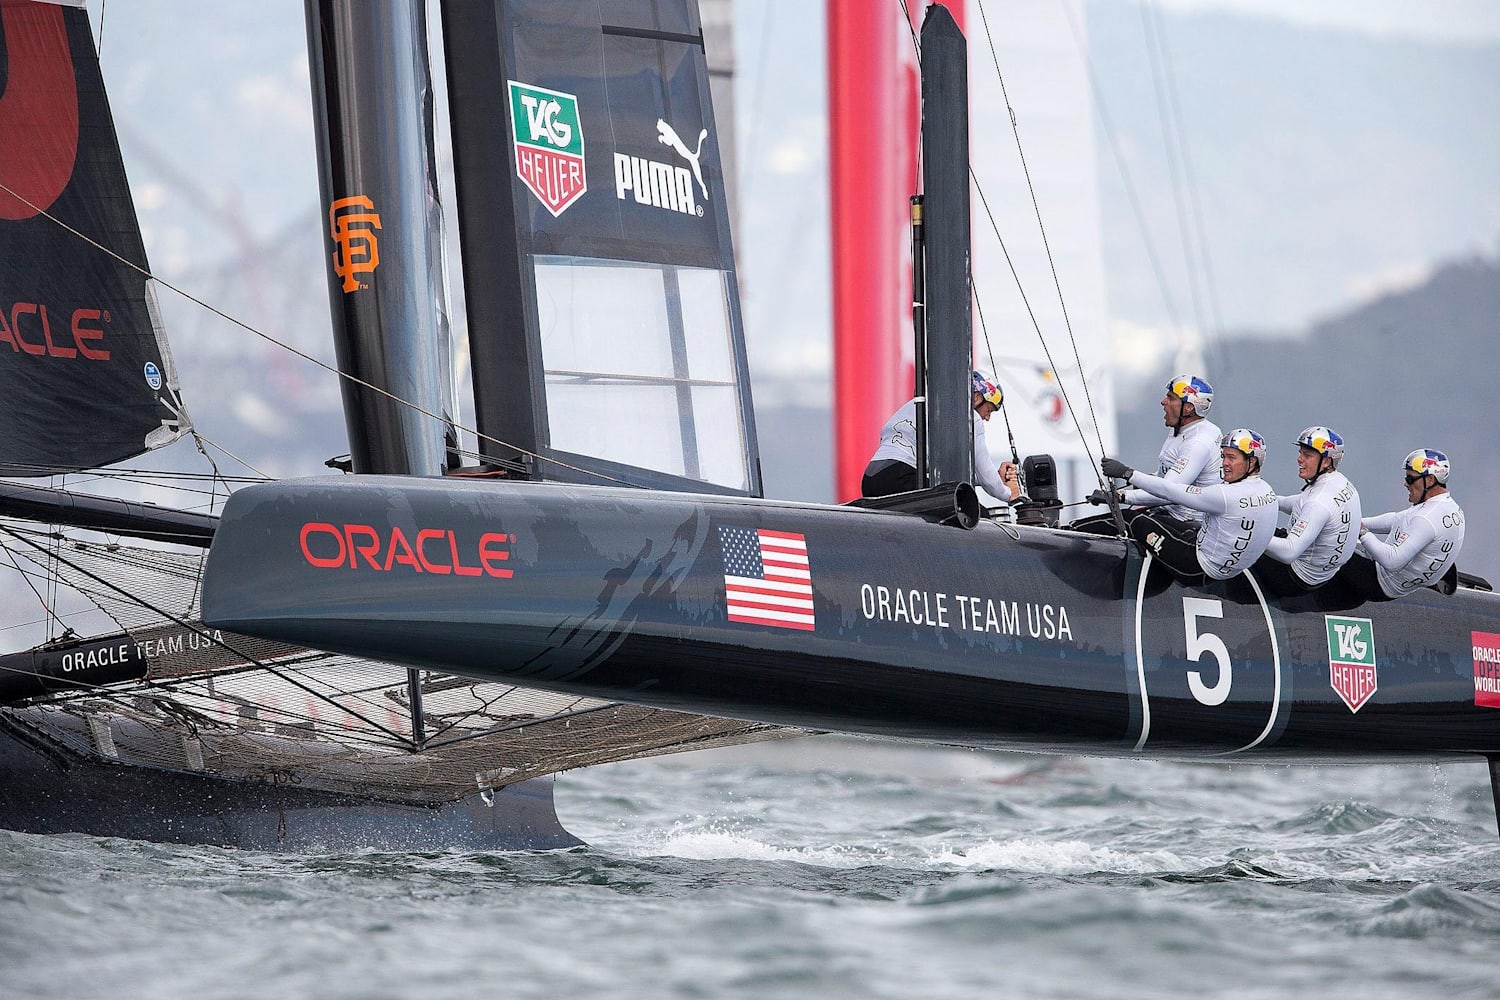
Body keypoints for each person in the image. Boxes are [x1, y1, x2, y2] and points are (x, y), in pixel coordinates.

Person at [1099, 428, 1278, 583]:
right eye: (1223, 456)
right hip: (1219, 565)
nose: (1224, 463)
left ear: (1252, 462)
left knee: (1132, 519)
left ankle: (1072, 532)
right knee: (1163, 520)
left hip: (1195, 568)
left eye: (1231, 458)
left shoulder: (1225, 495)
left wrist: (1127, 474)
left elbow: (1171, 492)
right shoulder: (1266, 491)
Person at [1076, 373, 1221, 533]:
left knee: (1122, 521)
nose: (1163, 402)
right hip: (1166, 513)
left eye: (1171, 398)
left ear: (1188, 408)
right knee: (1088, 525)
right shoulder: (1182, 430)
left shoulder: (1198, 442)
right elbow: (1163, 478)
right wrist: (1135, 483)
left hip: (1186, 525)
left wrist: (1122, 489)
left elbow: (1168, 490)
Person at [861, 370, 1020, 501]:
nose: (987, 417)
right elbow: (984, 470)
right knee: (972, 512)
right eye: (989, 410)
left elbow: (952, 472)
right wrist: (1009, 494)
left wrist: (997, 478)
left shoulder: (919, 405)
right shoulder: (970, 416)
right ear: (977, 397)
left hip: (870, 479)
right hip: (901, 477)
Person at [1337, 448, 1465, 601]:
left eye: (1410, 479)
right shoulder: (1448, 508)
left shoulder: (1427, 519)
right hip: (1398, 581)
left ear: (1430, 480)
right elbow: (1397, 519)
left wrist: (1362, 532)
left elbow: (1392, 561)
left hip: (1377, 583)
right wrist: (1358, 522)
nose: (1405, 484)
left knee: (1328, 543)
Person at [1253, 426, 1362, 594]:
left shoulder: (1319, 502)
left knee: (1234, 538)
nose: (1299, 459)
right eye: (1300, 452)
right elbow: (1302, 503)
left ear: (1326, 461)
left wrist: (1250, 535)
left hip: (1294, 576)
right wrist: (1270, 501)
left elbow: (1289, 552)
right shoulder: (1339, 482)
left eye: (1307, 455)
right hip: (1320, 571)